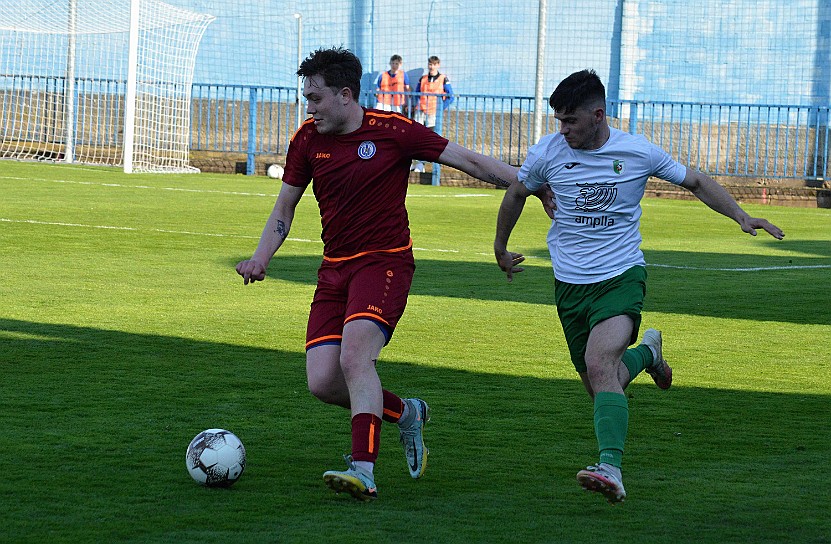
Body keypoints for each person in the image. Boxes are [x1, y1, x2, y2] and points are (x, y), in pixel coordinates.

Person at [236, 47, 552, 502]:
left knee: (355, 360)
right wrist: (261, 257)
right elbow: (285, 206)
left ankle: (362, 468)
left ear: (346, 95)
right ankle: (406, 413)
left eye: (316, 97)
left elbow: (470, 161)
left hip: (384, 263)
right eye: (306, 98)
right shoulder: (307, 139)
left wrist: (531, 185)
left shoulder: (393, 131)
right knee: (323, 382)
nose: (309, 107)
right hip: (334, 270)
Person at [493, 69, 784, 505]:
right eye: (559, 121)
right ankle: (649, 352)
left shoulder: (637, 151)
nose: (563, 129)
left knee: (598, 363)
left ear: (598, 114)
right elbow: (517, 192)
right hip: (570, 285)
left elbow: (696, 181)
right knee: (600, 382)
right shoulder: (548, 153)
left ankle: (610, 467)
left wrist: (742, 216)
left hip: (621, 277)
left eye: (571, 120)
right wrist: (500, 246)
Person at [411, 55, 454, 173]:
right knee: (415, 136)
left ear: (438, 65)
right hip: (421, 110)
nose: (431, 67)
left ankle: (422, 164)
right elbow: (416, 93)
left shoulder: (443, 79)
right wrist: (416, 105)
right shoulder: (423, 78)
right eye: (430, 64)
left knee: (428, 138)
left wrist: (440, 108)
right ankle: (414, 162)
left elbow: (451, 96)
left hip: (433, 112)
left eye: (434, 64)